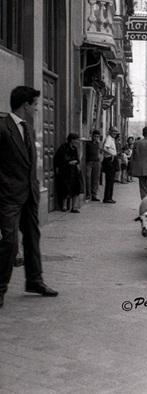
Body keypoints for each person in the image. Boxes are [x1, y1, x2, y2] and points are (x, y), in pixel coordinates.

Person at [0, 86, 59, 308]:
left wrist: (34, 187)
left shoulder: (29, 128)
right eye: (34, 105)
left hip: (29, 195)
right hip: (8, 196)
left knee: (33, 239)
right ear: (25, 105)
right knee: (9, 242)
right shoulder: (3, 128)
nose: (36, 109)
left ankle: (35, 281)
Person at [53, 133, 82, 213]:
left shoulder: (75, 148)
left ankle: (74, 207)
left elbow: (77, 159)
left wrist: (76, 164)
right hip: (66, 171)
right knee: (65, 188)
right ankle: (64, 206)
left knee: (76, 188)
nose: (78, 141)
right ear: (72, 140)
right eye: (76, 140)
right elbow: (59, 158)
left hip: (74, 171)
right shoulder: (63, 147)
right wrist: (68, 162)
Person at [101, 127, 119, 203]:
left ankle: (109, 197)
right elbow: (104, 148)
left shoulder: (112, 139)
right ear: (110, 132)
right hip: (109, 159)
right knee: (110, 179)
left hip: (112, 159)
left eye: (116, 132)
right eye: (114, 131)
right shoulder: (109, 138)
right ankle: (107, 198)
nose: (115, 133)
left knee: (111, 180)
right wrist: (111, 154)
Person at [85, 130, 102, 201]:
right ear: (92, 136)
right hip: (89, 162)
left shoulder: (98, 144)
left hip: (97, 162)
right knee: (88, 178)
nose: (96, 138)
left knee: (95, 179)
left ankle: (94, 195)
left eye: (97, 137)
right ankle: (88, 194)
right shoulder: (88, 143)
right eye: (95, 136)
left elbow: (100, 152)